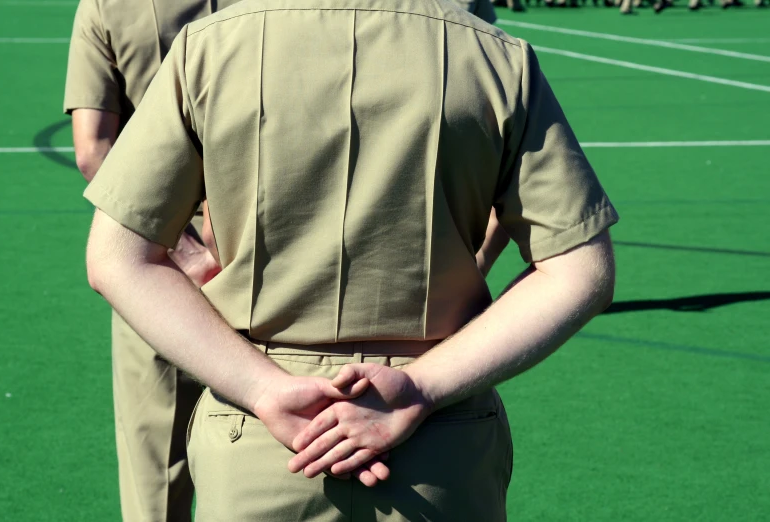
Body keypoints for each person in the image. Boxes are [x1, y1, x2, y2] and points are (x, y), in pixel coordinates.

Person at [83, 0, 619, 519]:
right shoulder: (493, 54)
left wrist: (262, 388)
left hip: (264, 436)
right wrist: (421, 386)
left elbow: (118, 257)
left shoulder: (208, 47)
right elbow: (580, 271)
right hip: (440, 437)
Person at [63, 1, 246, 520]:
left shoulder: (106, 5)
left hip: (156, 264)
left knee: (157, 485)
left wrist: (184, 251)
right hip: (271, 259)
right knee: (280, 460)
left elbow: (93, 147)